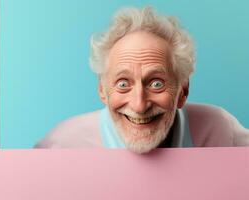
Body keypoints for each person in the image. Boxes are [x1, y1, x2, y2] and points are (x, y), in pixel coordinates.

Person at [35, 6, 249, 153]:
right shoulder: (62, 143)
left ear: (182, 91)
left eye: (156, 83)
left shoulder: (219, 130)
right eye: (123, 84)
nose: (139, 105)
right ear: (102, 91)